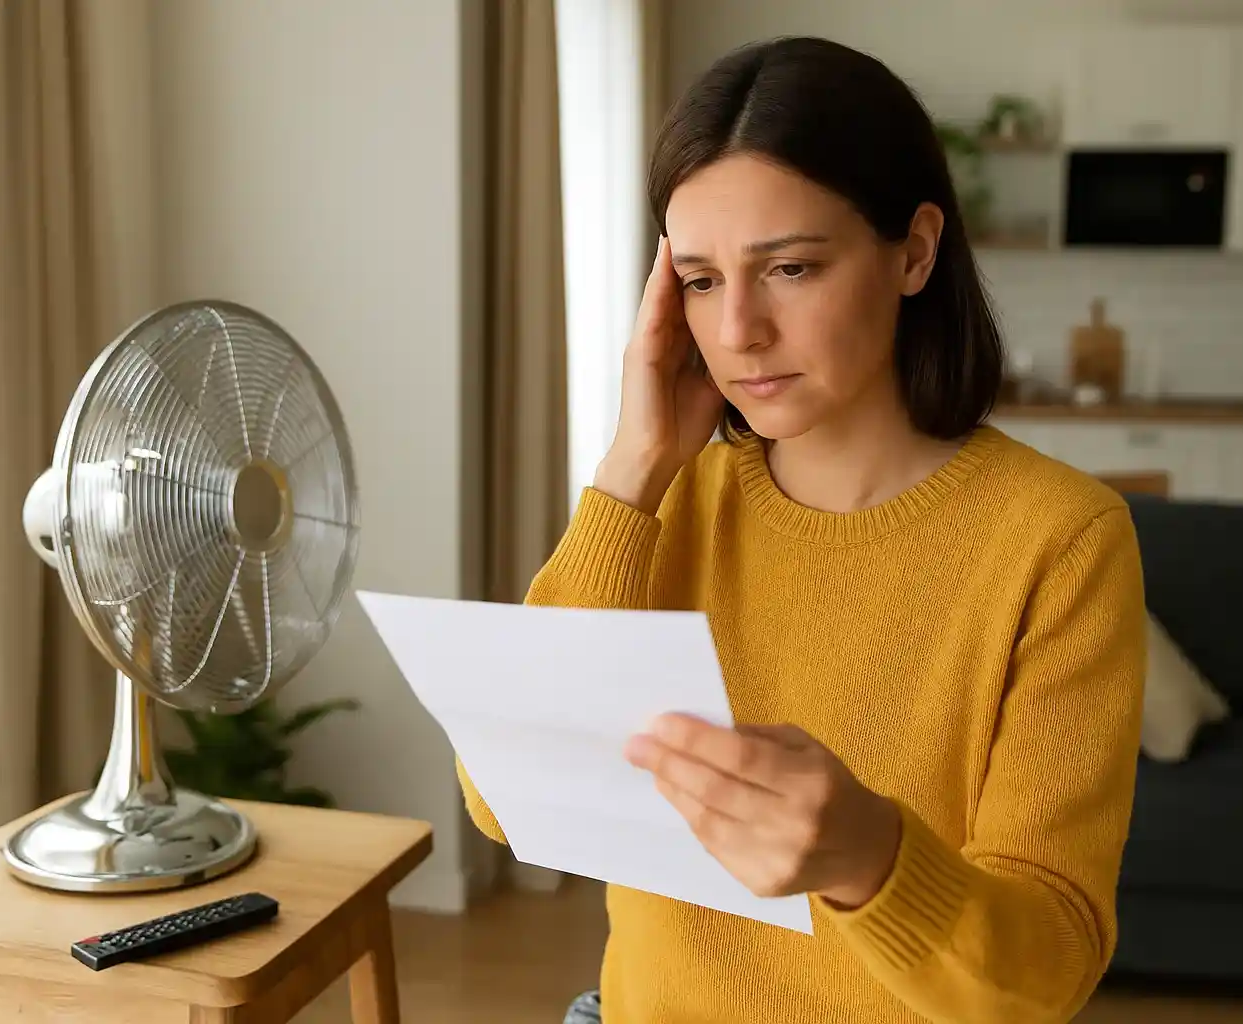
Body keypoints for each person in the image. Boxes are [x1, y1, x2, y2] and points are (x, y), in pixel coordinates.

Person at [459, 35, 1147, 1024]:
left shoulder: (1061, 541)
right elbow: (498, 798)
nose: (739, 329)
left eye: (788, 267)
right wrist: (632, 467)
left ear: (912, 250)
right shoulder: (670, 497)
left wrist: (870, 858)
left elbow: (1041, 977)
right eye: (700, 279)